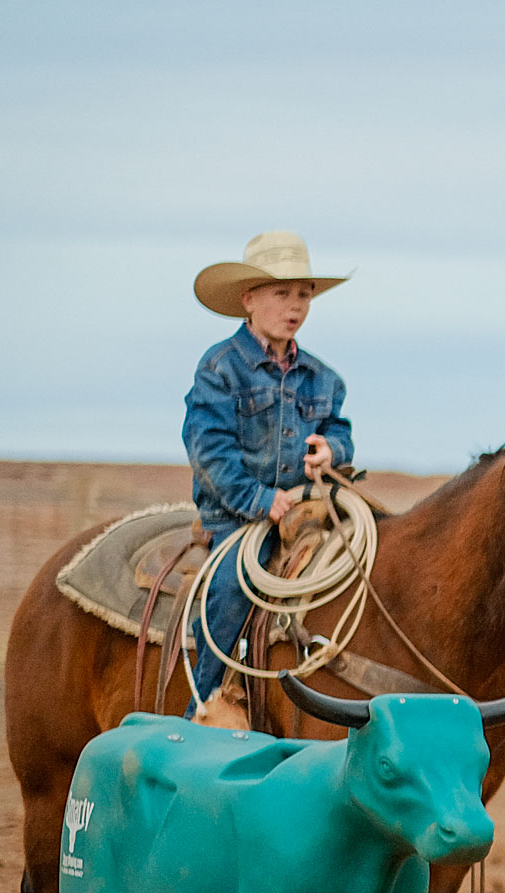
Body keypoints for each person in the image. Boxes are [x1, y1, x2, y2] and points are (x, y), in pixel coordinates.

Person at [181, 231, 353, 728]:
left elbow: (339, 431)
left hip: (305, 509)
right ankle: (204, 704)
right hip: (236, 515)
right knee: (235, 585)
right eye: (282, 294)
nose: (295, 306)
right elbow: (208, 450)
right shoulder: (219, 369)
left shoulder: (324, 379)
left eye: (304, 295)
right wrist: (260, 499)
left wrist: (332, 449)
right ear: (248, 299)